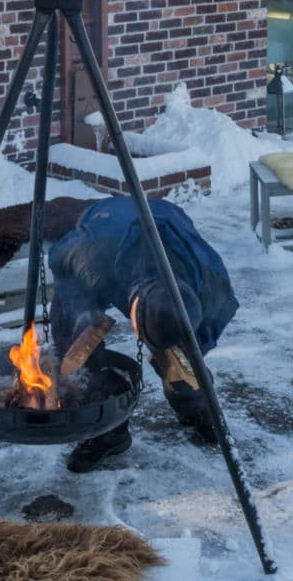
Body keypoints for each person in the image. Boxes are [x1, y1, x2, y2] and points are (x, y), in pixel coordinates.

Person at [47, 195, 238, 472]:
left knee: (183, 360)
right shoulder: (90, 257)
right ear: (133, 307)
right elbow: (60, 262)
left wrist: (182, 361)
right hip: (107, 227)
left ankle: (197, 408)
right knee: (77, 342)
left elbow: (202, 339)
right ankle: (108, 432)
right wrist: (81, 323)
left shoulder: (212, 285)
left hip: (168, 222)